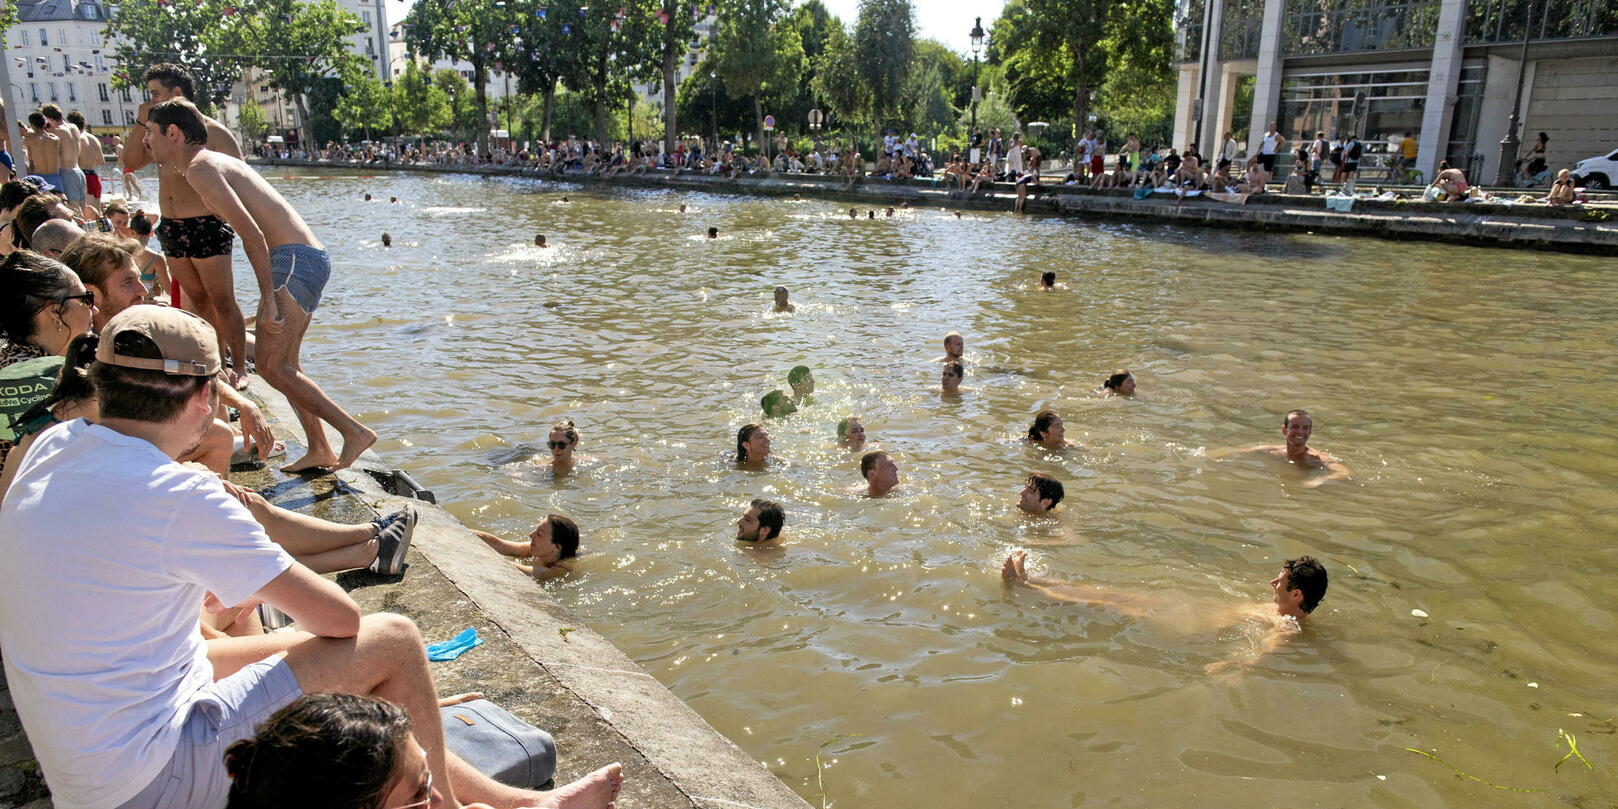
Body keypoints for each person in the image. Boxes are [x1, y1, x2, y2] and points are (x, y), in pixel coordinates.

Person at [0, 306, 624, 809]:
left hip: (85, 760)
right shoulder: (177, 492)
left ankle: (522, 805)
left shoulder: (53, 445)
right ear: (199, 400)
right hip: (150, 778)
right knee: (394, 641)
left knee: (298, 657)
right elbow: (342, 623)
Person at [146, 98, 376, 473]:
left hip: (294, 259)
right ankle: (320, 448)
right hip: (306, 257)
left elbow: (251, 234)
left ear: (173, 133)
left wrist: (267, 299)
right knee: (286, 365)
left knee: (270, 366)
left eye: (150, 133)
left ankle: (353, 432)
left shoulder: (200, 168)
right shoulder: (212, 161)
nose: (146, 142)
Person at [122, 63, 251, 388]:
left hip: (206, 225)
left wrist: (225, 215)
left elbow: (244, 179)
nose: (150, 99)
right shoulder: (162, 134)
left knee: (223, 301)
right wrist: (141, 120)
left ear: (176, 93)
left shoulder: (212, 131)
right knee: (197, 299)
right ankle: (216, 365)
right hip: (172, 227)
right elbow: (131, 162)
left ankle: (241, 369)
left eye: (155, 93)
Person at [1001, 551, 1329, 675]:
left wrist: (1232, 667)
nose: (1273, 581)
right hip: (1181, 606)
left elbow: (1266, 652)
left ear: (1296, 594)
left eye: (1281, 581)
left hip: (1182, 623)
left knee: (1105, 603)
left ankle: (1024, 587)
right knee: (1106, 592)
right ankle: (1031, 579)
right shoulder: (1275, 608)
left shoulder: (1286, 624)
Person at [1214, 409, 1351, 487]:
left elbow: (1344, 472)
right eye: (1295, 427)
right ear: (1284, 430)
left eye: (1305, 428)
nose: (1300, 432)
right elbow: (1239, 452)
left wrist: (1319, 480)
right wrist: (1207, 456)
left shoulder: (1316, 458)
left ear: (1310, 432)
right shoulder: (1272, 451)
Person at [58, 232, 149, 329]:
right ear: (91, 294)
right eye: (127, 282)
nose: (143, 291)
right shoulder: (73, 342)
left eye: (139, 278)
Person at [471, 513, 582, 581]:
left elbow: (510, 568)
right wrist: (463, 531)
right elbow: (501, 545)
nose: (530, 535)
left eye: (539, 534)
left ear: (555, 547)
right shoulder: (540, 549)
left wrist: (482, 555)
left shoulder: (558, 570)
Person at [68, 110, 104, 218]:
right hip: (94, 176)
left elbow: (72, 160)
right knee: (98, 212)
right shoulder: (94, 139)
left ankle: (92, 234)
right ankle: (104, 233)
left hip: (83, 176)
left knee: (87, 213)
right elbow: (101, 161)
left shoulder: (77, 139)